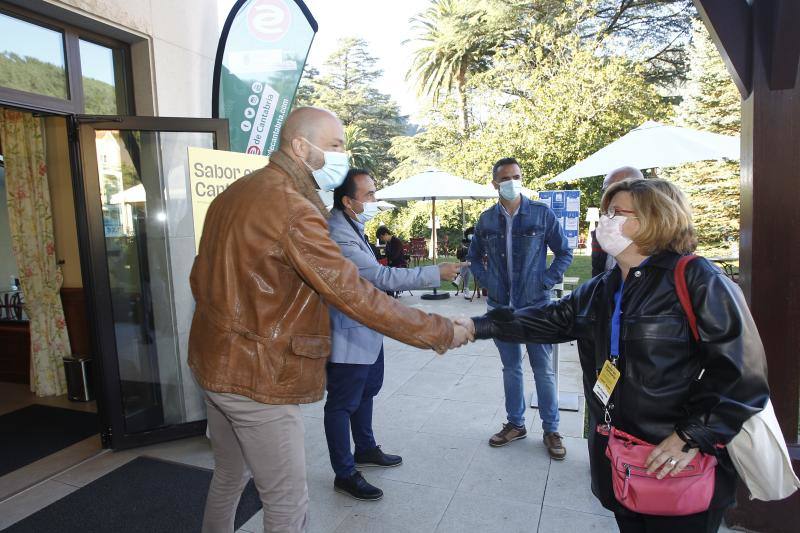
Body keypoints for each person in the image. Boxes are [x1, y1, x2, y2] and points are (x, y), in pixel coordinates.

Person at [188, 106, 470, 533]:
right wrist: (439, 329)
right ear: (301, 147)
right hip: (257, 377)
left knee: (229, 476)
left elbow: (199, 277)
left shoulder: (236, 193)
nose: (343, 154)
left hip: (214, 363)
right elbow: (353, 291)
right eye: (336, 145)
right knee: (286, 503)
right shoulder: (293, 209)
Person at [459, 178, 769, 532]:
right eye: (605, 212)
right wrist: (476, 326)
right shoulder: (602, 288)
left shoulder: (697, 278)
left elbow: (744, 373)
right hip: (620, 456)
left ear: (654, 218)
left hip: (677, 460)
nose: (604, 221)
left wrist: (691, 435)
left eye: (616, 213)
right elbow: (549, 319)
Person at [325, 168, 467, 501]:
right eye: (369, 195)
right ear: (348, 201)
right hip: (348, 331)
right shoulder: (337, 233)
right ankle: (344, 473)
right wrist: (435, 273)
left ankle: (365, 448)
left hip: (368, 325)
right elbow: (379, 277)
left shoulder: (351, 224)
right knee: (342, 402)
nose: (375, 199)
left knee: (368, 389)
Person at [467, 157, 573, 458]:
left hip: (537, 306)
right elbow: (474, 256)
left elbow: (564, 252)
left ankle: (551, 429)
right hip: (501, 307)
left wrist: (546, 281)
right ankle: (516, 424)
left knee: (543, 370)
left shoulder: (541, 213)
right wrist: (486, 280)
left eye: (516, 176)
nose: (512, 181)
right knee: (511, 368)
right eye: (505, 178)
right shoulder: (486, 220)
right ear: (495, 184)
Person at [591, 166, 644, 277]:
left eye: (618, 190)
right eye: (605, 190)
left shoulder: (661, 243)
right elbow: (597, 276)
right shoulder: (601, 234)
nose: (609, 196)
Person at [455, 226, 475, 297]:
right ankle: (466, 288)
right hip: (466, 263)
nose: (471, 235)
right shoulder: (464, 242)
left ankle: (459, 278)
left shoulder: (478, 243)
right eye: (470, 234)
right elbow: (459, 256)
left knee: (468, 264)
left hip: (476, 264)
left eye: (473, 234)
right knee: (468, 265)